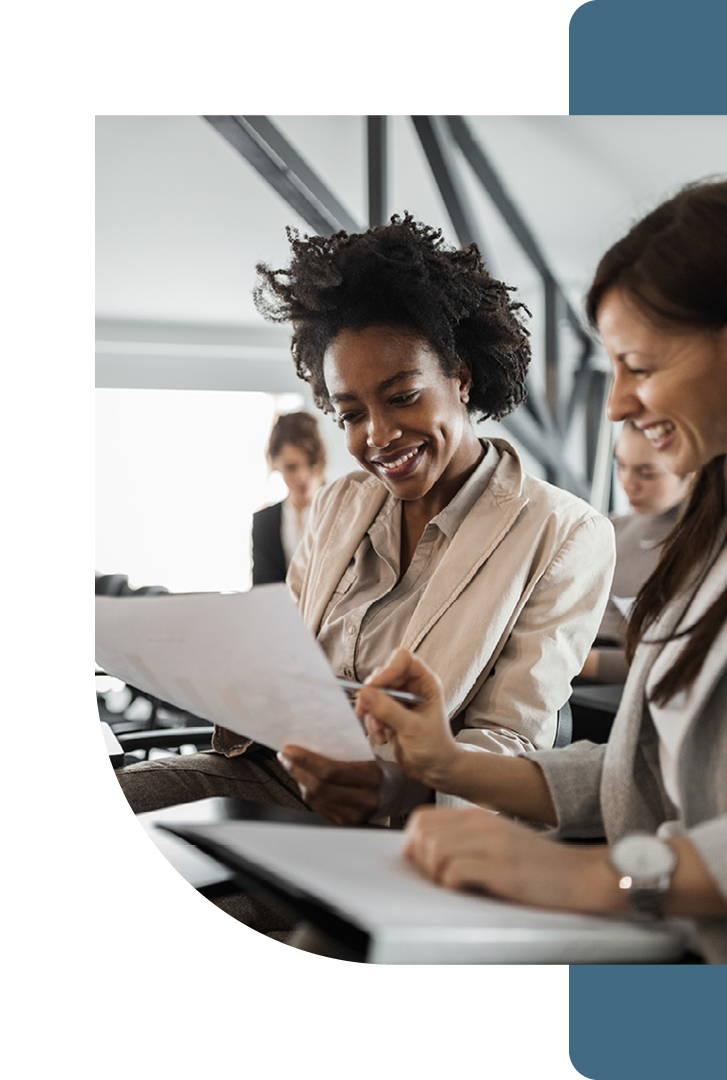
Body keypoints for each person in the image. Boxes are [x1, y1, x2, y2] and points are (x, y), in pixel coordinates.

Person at [352, 179, 727, 964]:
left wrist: (600, 879)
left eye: (636, 364)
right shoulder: (715, 544)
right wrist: (448, 762)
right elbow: (636, 782)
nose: (618, 402)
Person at [116, 214, 614, 836]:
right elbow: (286, 666)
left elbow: (510, 738)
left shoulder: (563, 532)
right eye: (351, 413)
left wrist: (392, 786)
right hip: (273, 774)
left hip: (404, 821)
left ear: (460, 377)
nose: (376, 437)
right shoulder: (338, 505)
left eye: (402, 396)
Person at [580, 418, 690, 683]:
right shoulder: (609, 527)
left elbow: (677, 663)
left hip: (602, 691)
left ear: (691, 469)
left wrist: (567, 661)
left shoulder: (704, 548)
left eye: (647, 473)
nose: (628, 484)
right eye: (622, 466)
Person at [252, 411, 327, 585]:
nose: (302, 476)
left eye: (311, 464)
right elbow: (262, 588)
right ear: (276, 464)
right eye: (291, 467)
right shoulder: (264, 522)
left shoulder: (346, 512)